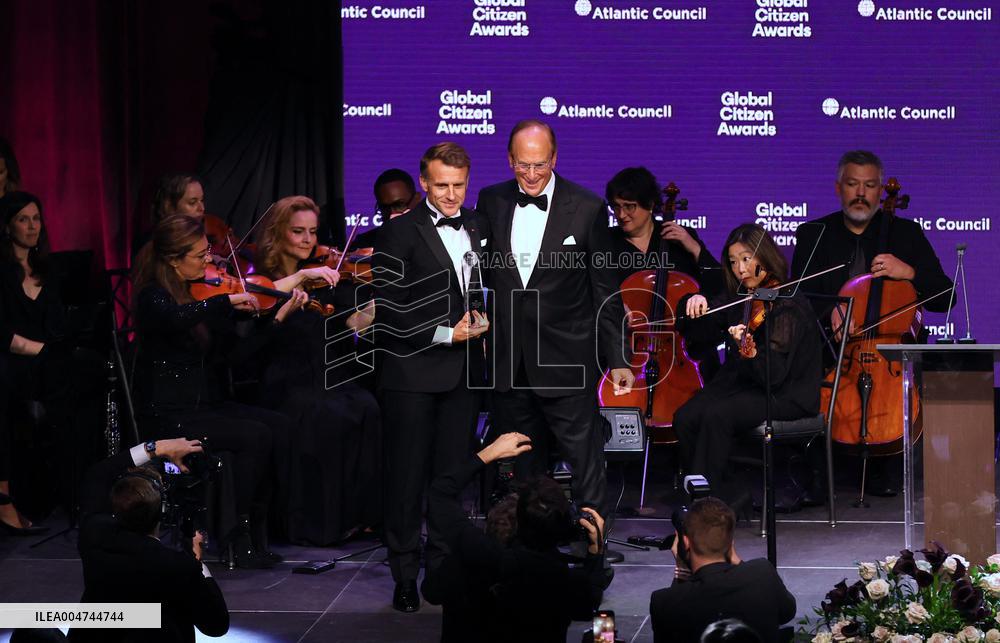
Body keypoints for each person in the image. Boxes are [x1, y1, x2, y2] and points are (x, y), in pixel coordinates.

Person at [131, 214, 336, 567]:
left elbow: (235, 358)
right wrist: (224, 302)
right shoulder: (154, 297)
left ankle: (261, 530)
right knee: (255, 435)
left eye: (207, 253)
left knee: (280, 425)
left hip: (207, 406)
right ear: (173, 260)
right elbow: (176, 318)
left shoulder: (201, 293)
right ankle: (236, 536)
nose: (209, 261)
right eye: (200, 255)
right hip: (169, 414)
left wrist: (275, 321)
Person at [475, 120, 633, 516]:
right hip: (510, 360)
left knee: (585, 464)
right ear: (509, 160)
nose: (531, 175)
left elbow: (605, 290)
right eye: (523, 165)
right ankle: (527, 544)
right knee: (521, 467)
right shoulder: (490, 200)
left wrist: (618, 358)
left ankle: (592, 541)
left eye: (540, 165)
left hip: (567, 358)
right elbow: (480, 276)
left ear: (555, 159)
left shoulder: (587, 207)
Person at [790, 150, 954, 498]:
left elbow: (946, 297)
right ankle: (816, 473)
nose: (861, 193)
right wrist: (830, 311)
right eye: (853, 184)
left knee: (912, 376)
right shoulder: (814, 233)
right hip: (833, 350)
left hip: (891, 356)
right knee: (802, 367)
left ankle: (892, 466)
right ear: (839, 188)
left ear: (881, 191)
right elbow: (797, 298)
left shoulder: (907, 234)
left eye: (869, 185)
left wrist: (909, 272)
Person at [370, 142, 490, 613]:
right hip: (411, 376)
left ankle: (440, 570)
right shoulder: (398, 233)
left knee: (449, 479)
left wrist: (484, 317)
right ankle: (404, 574)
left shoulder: (478, 224)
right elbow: (389, 311)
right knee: (405, 481)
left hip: (463, 376)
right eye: (441, 185)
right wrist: (447, 333)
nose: (451, 194)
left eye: (458, 185)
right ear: (423, 182)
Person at [243, 194, 381, 545]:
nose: (308, 240)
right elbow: (255, 301)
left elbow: (354, 323)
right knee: (325, 416)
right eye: (298, 231)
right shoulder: (265, 279)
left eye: (313, 232)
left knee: (367, 406)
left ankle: (356, 517)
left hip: (327, 376)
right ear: (278, 233)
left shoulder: (328, 277)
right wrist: (301, 277)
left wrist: (380, 306)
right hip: (287, 380)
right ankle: (317, 524)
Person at [674, 224, 821, 509]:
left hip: (787, 393)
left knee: (717, 415)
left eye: (746, 259)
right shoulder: (742, 295)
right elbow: (706, 322)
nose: (740, 269)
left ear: (765, 256)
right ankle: (722, 491)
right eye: (732, 262)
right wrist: (695, 300)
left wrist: (751, 352)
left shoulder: (788, 303)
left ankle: (709, 506)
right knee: (685, 417)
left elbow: (775, 376)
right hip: (747, 385)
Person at [423, 432, 609, 643]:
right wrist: (595, 552)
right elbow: (589, 602)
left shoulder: (472, 552)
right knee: (604, 631)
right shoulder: (560, 578)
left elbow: (440, 494)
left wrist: (488, 453)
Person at [67, 437, 229, 643]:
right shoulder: (179, 566)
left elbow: (98, 474)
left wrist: (156, 448)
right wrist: (199, 565)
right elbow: (216, 625)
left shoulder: (93, 534)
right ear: (162, 512)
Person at [0, 191, 81, 536]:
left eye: (36, 218)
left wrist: (55, 351)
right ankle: (5, 499)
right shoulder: (2, 272)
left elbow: (60, 326)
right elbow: (4, 335)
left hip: (47, 359)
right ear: (7, 227)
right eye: (23, 219)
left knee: (87, 373)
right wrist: (45, 352)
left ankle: (77, 490)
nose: (32, 226)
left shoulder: (49, 271)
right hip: (11, 358)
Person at [606, 166, 724, 381]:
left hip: (683, 350)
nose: (621, 215)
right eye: (616, 207)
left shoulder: (680, 238)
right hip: (629, 350)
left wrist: (695, 248)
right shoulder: (607, 242)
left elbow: (719, 285)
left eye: (629, 206)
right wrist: (616, 306)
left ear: (650, 204)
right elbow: (595, 288)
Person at [649, 497, 795, 643]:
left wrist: (681, 569)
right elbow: (787, 613)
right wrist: (734, 557)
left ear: (686, 542)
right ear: (731, 542)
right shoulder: (763, 574)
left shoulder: (664, 602)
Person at [352, 168, 422, 249]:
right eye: (384, 207)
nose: (392, 215)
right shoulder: (364, 243)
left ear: (417, 199)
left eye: (399, 205)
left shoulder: (433, 237)